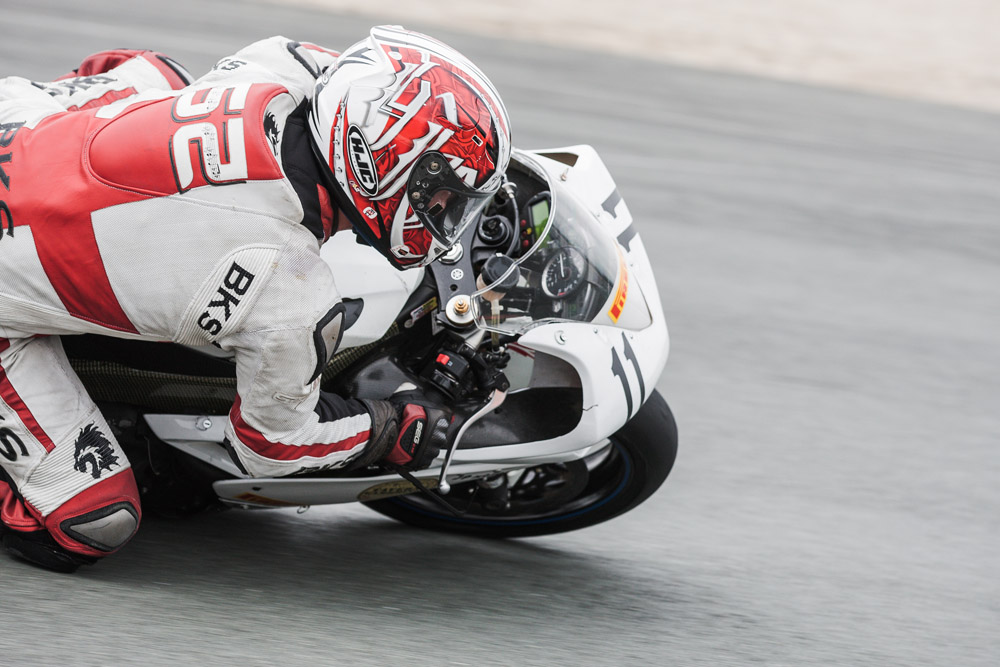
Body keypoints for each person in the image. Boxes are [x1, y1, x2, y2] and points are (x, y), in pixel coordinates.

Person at [0, 26, 511, 572]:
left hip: (16, 125)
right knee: (96, 523)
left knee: (159, 74)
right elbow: (271, 447)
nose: (448, 214)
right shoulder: (284, 284)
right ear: (378, 169)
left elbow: (368, 80)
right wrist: (389, 428)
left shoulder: (277, 67)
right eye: (443, 198)